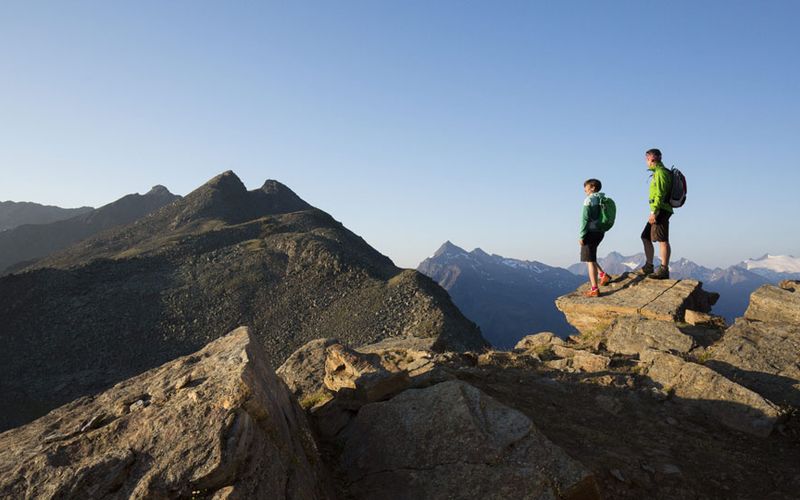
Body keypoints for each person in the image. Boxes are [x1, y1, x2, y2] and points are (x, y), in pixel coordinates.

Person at [636, 148, 673, 279]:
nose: (646, 162)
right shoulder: (658, 172)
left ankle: (664, 269)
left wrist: (654, 212)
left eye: (647, 159)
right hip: (659, 209)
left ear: (652, 159)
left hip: (661, 210)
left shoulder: (661, 173)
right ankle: (649, 265)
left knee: (662, 239)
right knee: (645, 236)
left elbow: (660, 194)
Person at [579, 178, 610, 297]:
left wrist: (582, 235)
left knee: (589, 260)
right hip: (600, 231)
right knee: (590, 256)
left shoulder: (589, 200)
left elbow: (584, 219)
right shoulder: (602, 199)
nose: (584, 190)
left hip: (590, 232)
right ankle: (603, 275)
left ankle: (594, 289)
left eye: (586, 187)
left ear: (592, 187)